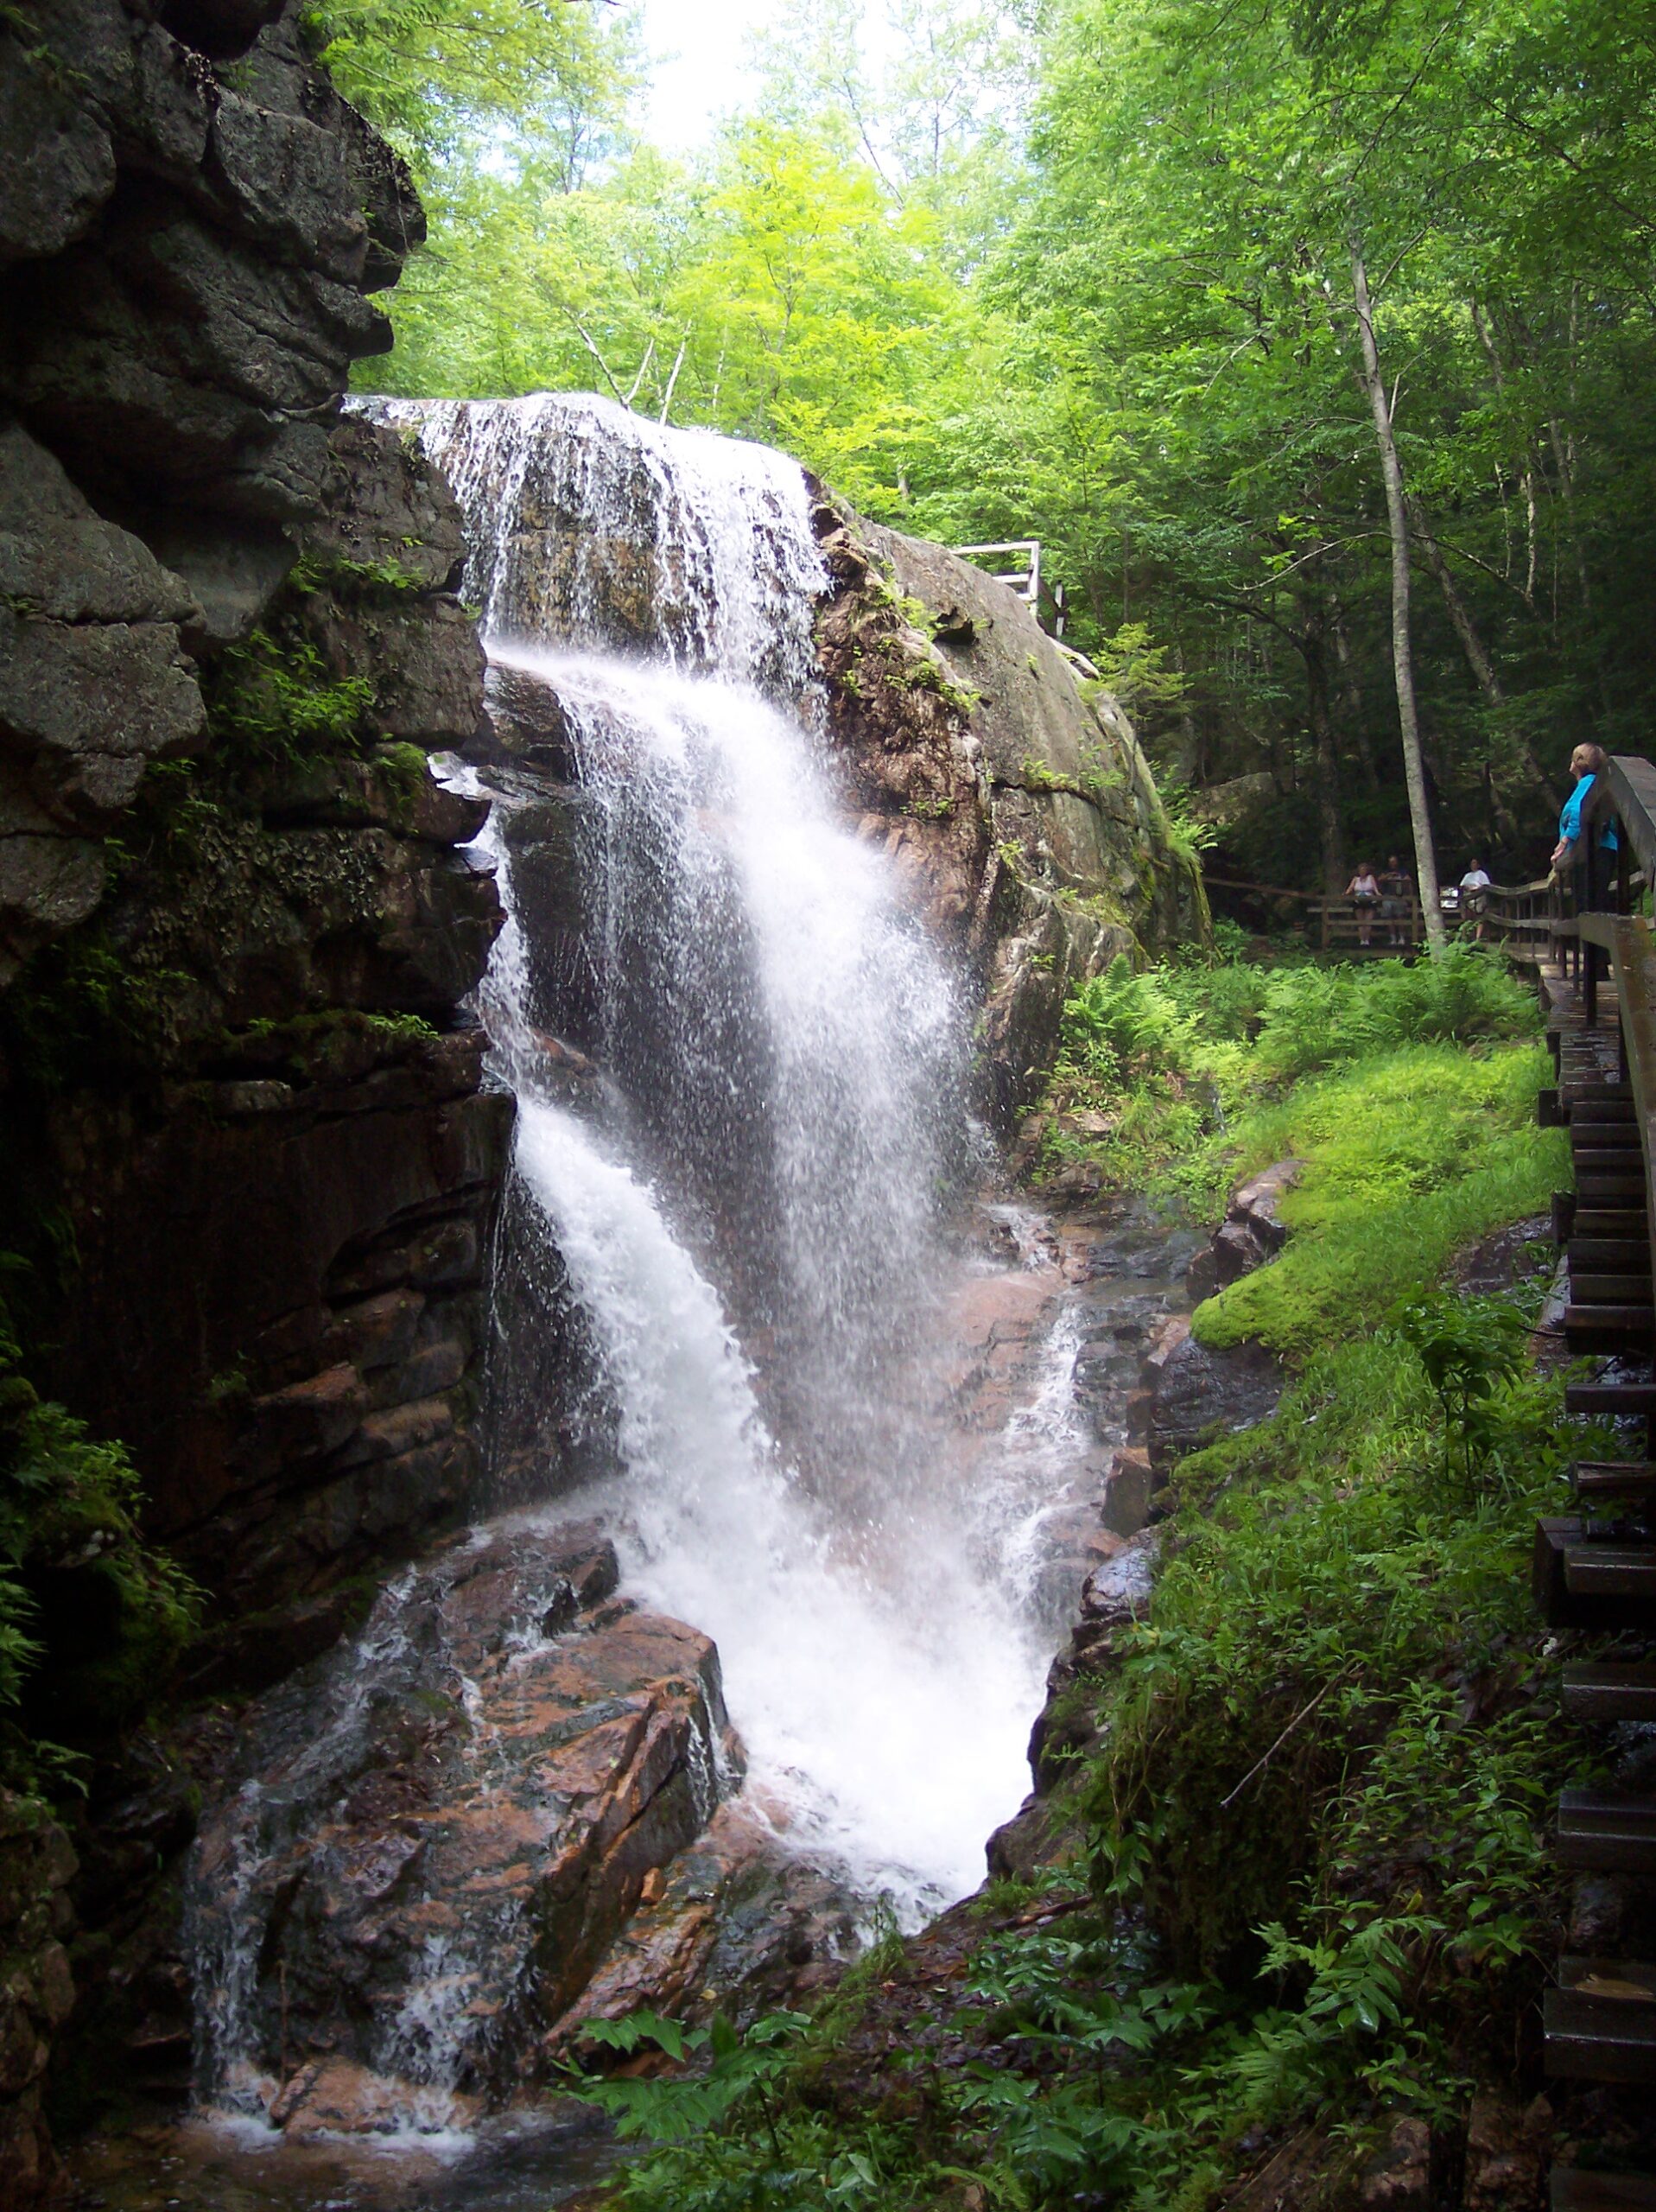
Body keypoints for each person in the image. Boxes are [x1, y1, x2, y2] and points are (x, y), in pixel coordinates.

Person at [1551, 742, 1619, 910]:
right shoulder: (1596, 783)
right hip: (1598, 848)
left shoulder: (1588, 783)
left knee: (1588, 907)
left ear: (1579, 762)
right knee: (1595, 904)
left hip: (1590, 851)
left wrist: (1564, 842)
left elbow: (1578, 812)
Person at [1379, 852, 1414, 947]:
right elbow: (1380, 879)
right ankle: (1393, 938)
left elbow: (1408, 880)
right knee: (1389, 919)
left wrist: (1400, 878)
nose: (1393, 863)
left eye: (1394, 861)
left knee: (1400, 917)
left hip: (1399, 897)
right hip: (1388, 897)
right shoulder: (1386, 871)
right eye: (1391, 862)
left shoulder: (1402, 871)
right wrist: (1389, 875)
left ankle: (1401, 938)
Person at [1346, 860, 1382, 948]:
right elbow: (1350, 889)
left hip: (1370, 901)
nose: (1363, 871)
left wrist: (1378, 894)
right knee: (1361, 921)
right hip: (1358, 901)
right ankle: (1362, 940)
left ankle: (1367, 940)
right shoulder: (1356, 879)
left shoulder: (1370, 878)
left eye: (1364, 870)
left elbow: (1375, 889)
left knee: (1368, 921)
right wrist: (1346, 894)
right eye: (1361, 870)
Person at [1460, 857, 1492, 938]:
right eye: (1472, 863)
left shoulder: (1482, 874)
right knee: (1468, 917)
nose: (1473, 865)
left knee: (1479, 916)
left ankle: (1478, 937)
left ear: (1478, 865)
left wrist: (1476, 889)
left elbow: (1485, 885)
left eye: (1475, 863)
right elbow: (1462, 885)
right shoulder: (1467, 875)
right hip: (1468, 896)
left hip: (1479, 896)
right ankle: (1468, 936)